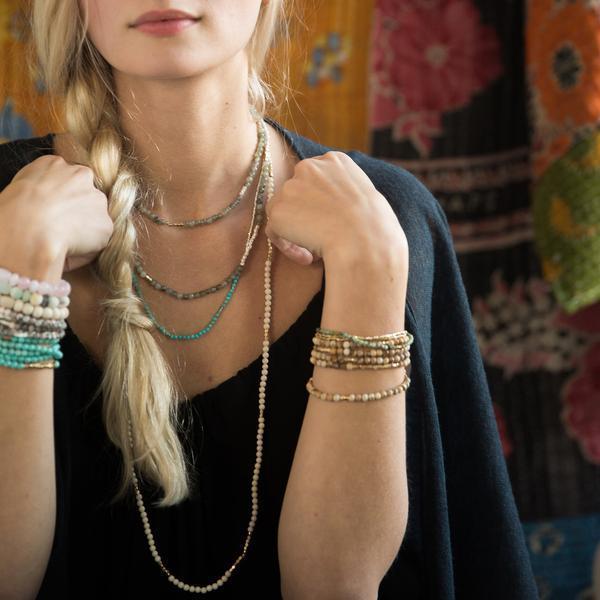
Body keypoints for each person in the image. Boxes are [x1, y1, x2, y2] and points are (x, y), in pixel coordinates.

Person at [0, 1, 538, 598]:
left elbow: (335, 587)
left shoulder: (386, 220)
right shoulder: (8, 219)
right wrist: (20, 276)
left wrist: (367, 270)